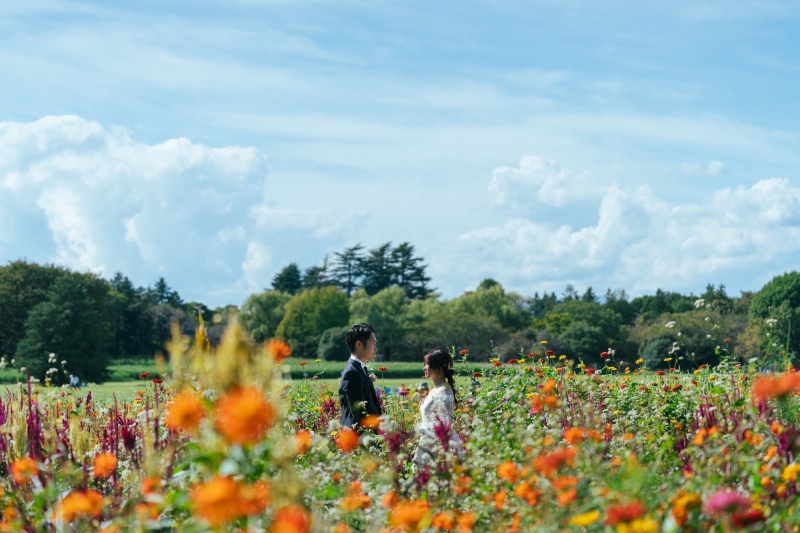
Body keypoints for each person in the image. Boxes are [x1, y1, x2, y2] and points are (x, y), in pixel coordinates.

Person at [413, 349, 462, 467]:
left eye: (427, 364)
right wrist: (414, 433)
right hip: (428, 442)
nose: (424, 367)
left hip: (438, 446)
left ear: (438, 368)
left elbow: (446, 426)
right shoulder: (435, 390)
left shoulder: (444, 393)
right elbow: (429, 420)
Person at [338, 323, 383, 429]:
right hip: (360, 440)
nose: (375, 349)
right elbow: (359, 415)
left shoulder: (359, 369)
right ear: (359, 345)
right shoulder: (352, 373)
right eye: (372, 344)